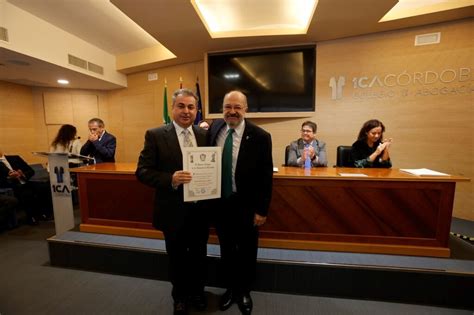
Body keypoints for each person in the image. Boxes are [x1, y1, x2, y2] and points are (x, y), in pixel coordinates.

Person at [136, 88, 209, 315]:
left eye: (191, 107)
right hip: (172, 211)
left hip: (200, 211)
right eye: (181, 106)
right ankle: (179, 297)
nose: (186, 111)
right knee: (176, 258)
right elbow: (142, 171)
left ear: (196, 111)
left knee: (199, 256)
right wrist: (171, 179)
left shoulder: (205, 135)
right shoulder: (156, 134)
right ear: (173, 108)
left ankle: (198, 293)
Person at [208, 90, 273, 315]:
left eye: (237, 107)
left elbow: (266, 177)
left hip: (246, 205)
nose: (232, 111)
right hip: (220, 202)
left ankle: (244, 291)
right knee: (226, 249)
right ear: (222, 109)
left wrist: (262, 210)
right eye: (228, 107)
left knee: (247, 250)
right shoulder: (215, 129)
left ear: (246, 109)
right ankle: (229, 289)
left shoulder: (261, 136)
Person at [0, 148, 52, 225]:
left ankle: (45, 213)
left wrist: (22, 174)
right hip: (11, 186)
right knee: (26, 193)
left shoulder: (15, 158)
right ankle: (31, 217)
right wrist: (9, 178)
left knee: (45, 187)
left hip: (25, 181)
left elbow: (31, 171)